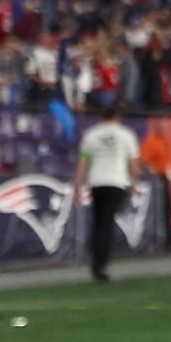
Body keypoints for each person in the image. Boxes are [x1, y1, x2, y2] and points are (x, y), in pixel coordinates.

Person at [73, 103, 141, 282]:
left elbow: (82, 163)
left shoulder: (91, 134)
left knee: (98, 223)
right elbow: (133, 164)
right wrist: (134, 184)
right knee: (107, 224)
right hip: (116, 183)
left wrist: (77, 187)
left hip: (97, 183)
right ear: (118, 118)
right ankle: (100, 263)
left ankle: (96, 259)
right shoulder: (126, 135)